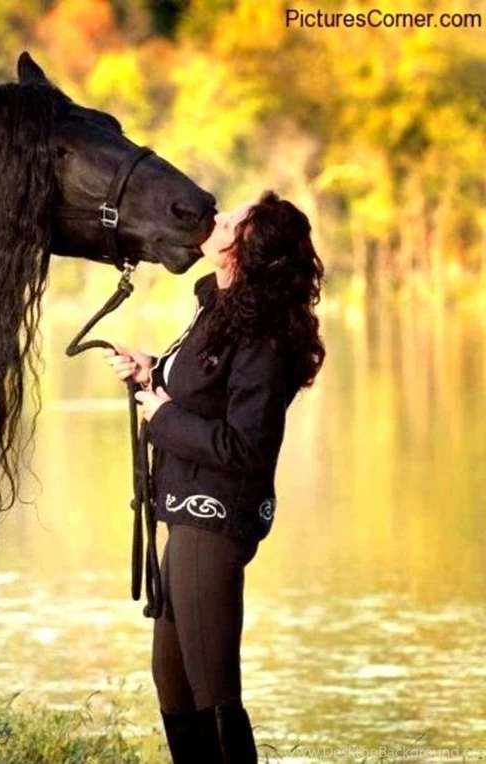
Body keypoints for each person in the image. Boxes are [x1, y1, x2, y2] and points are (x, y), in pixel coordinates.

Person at [103, 190, 326, 762]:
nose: (216, 218)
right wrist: (151, 374)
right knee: (173, 685)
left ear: (246, 253)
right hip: (185, 514)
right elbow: (202, 393)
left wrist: (162, 416)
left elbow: (247, 445)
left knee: (214, 691)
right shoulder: (217, 310)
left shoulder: (261, 338)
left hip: (216, 519)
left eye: (232, 222)